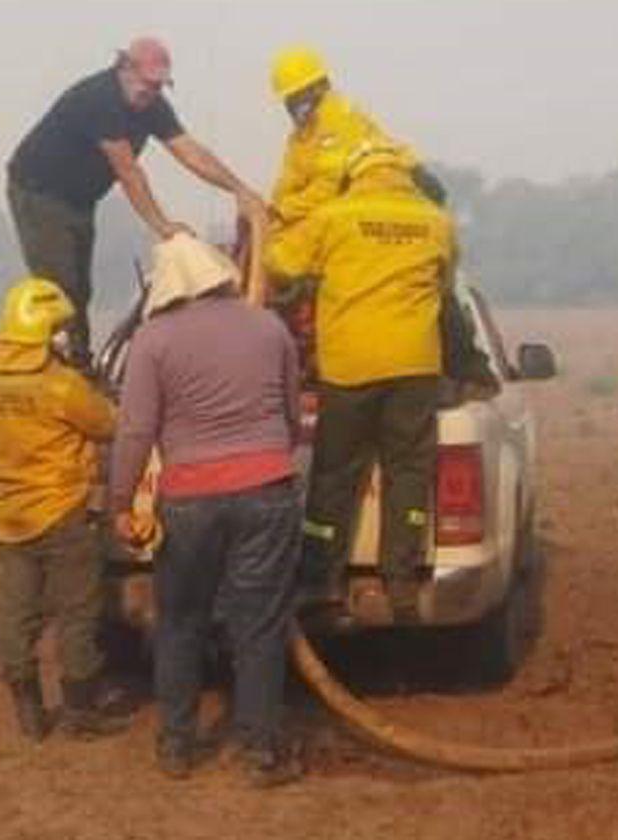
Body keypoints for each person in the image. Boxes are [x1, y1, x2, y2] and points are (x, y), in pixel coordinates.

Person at [109, 233, 303, 788]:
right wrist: (264, 460)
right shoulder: (269, 326)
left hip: (189, 497)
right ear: (220, 276)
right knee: (260, 626)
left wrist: (121, 503)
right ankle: (260, 752)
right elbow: (290, 416)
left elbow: (137, 429)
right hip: (268, 487)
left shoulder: (154, 338)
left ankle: (175, 745)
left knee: (180, 623)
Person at [264, 145, 455, 626]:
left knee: (335, 475)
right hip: (415, 364)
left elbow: (281, 264)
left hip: (350, 367)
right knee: (408, 471)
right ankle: (401, 580)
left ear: (355, 174)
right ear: (405, 174)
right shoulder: (436, 221)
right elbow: (445, 284)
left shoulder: (335, 215)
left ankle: (320, 579)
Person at [6, 36, 268, 363]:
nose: (152, 92)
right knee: (61, 287)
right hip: (39, 192)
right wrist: (163, 225)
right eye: (148, 84)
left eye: (160, 87)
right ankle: (63, 365)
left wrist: (239, 189)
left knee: (81, 289)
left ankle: (78, 360)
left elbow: (189, 151)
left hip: (80, 201)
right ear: (124, 69)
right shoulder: (99, 98)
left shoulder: (152, 105)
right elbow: (128, 171)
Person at [0, 277, 129, 742]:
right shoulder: (61, 387)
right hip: (63, 511)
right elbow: (108, 425)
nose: (66, 337)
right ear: (45, 334)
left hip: (12, 515)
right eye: (60, 329)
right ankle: (80, 712)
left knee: (17, 614)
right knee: (77, 612)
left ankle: (28, 710)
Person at [268, 45, 436, 229]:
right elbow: (289, 182)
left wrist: (282, 212)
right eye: (289, 98)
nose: (292, 105)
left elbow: (330, 185)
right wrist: (271, 210)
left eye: (297, 96)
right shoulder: (302, 136)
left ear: (319, 87)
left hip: (388, 200)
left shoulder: (337, 118)